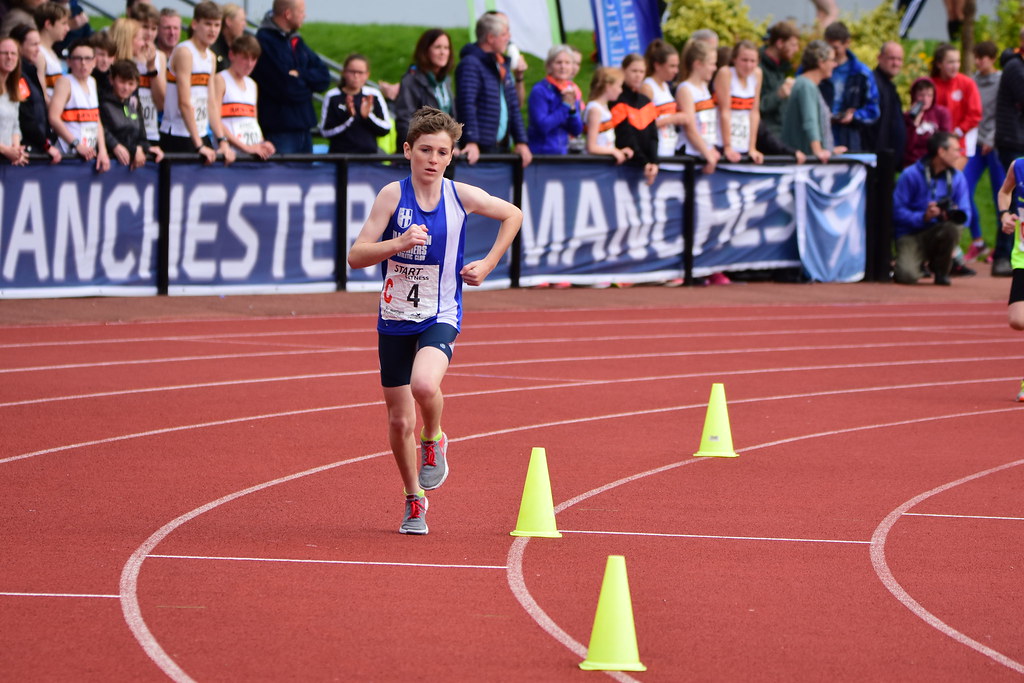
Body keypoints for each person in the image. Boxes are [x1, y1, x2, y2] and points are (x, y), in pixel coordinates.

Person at [346, 106, 523, 535]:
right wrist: (398, 242)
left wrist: (488, 263)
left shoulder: (460, 196)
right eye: (424, 149)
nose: (432, 159)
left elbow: (512, 214)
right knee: (397, 420)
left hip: (440, 312)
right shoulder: (392, 195)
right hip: (394, 317)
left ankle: (435, 437)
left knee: (425, 385)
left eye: (441, 152)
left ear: (450, 157)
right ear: (407, 150)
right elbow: (355, 256)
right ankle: (414, 500)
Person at [252, 0, 330, 155]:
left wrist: (300, 74)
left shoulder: (296, 40)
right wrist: (309, 87)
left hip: (303, 128)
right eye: (301, 11)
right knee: (283, 178)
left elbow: (324, 77)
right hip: (279, 130)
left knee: (305, 178)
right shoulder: (264, 41)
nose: (304, 15)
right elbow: (286, 88)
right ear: (288, 14)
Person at [892, 131, 970, 285]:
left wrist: (949, 214)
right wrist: (924, 217)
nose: (959, 155)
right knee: (906, 276)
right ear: (941, 151)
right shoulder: (911, 175)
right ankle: (916, 263)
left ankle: (941, 270)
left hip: (938, 231)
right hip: (911, 234)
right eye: (956, 150)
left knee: (953, 228)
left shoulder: (957, 177)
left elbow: (966, 214)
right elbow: (897, 211)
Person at [160, 1, 233, 165]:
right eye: (208, 24)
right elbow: (184, 102)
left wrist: (222, 140)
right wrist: (199, 145)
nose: (213, 30)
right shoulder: (185, 52)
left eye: (217, 25)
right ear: (194, 24)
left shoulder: (211, 57)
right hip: (178, 133)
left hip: (199, 132)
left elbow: (211, 103)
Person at [454, 11, 531, 167]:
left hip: (501, 148)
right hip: (480, 151)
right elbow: (466, 104)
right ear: (490, 38)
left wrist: (521, 141)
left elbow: (513, 106)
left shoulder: (501, 64)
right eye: (504, 34)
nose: (508, 38)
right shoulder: (471, 63)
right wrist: (471, 140)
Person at [963, 41, 1004, 263]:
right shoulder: (972, 81)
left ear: (993, 58)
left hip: (995, 145)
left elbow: (1004, 112)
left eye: (983, 57)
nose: (979, 61)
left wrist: (992, 138)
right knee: (964, 189)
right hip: (975, 145)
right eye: (977, 57)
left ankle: (1001, 247)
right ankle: (977, 241)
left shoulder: (1002, 80)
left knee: (1001, 194)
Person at [47, 37, 108, 171]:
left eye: (88, 59)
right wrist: (77, 144)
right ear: (69, 62)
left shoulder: (92, 82)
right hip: (68, 155)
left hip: (88, 153)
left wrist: (102, 150)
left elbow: (96, 119)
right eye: (78, 59)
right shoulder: (65, 83)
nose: (83, 63)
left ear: (94, 62)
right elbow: (53, 118)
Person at [782, 40, 847, 164]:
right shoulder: (806, 85)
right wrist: (818, 151)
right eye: (832, 60)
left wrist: (830, 150)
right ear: (821, 63)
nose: (835, 64)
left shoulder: (808, 85)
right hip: (802, 163)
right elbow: (810, 121)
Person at [992, 28, 1024, 277]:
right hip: (1012, 141)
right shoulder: (1015, 68)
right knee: (1013, 195)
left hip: (1016, 138)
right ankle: (1002, 255)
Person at [820, 21, 880, 153]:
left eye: (835, 47)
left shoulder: (862, 73)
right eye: (827, 48)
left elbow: (874, 111)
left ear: (847, 43)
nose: (831, 52)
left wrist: (854, 116)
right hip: (820, 136)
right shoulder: (816, 67)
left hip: (848, 138)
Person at [393, 28, 456, 147]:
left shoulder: (446, 81)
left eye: (446, 48)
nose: (443, 52)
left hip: (444, 150)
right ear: (425, 50)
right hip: (422, 151)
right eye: (437, 47)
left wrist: (454, 145)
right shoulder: (411, 80)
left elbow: (452, 118)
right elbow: (405, 121)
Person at [216, 34, 274, 159]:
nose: (249, 64)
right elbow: (216, 121)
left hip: (252, 154)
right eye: (245, 58)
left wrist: (263, 143)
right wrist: (244, 147)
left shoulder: (252, 84)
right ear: (232, 55)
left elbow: (252, 121)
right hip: (230, 154)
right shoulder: (220, 80)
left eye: (253, 59)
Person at [994, 155, 1024, 400]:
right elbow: (1005, 191)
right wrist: (1005, 214)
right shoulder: (1019, 166)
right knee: (1017, 320)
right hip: (1023, 256)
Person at [320, 53, 391, 154]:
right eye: (352, 72)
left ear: (367, 75)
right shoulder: (332, 96)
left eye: (360, 72)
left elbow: (386, 129)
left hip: (369, 158)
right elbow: (325, 132)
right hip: (340, 159)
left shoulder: (373, 95)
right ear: (344, 72)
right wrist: (348, 117)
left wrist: (367, 117)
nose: (356, 76)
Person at [9, 23, 60, 163]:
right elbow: (26, 115)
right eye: (34, 45)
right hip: (26, 151)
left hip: (38, 147)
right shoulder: (17, 76)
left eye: (39, 44)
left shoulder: (30, 72)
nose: (39, 50)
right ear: (19, 46)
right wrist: (45, 144)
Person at [100, 58, 162, 169]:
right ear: (111, 80)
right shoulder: (103, 104)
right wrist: (133, 149)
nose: (126, 88)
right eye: (122, 82)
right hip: (109, 166)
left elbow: (141, 136)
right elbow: (103, 133)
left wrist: (147, 148)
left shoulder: (134, 104)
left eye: (131, 83)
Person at [611, 52, 658, 185]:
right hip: (626, 165)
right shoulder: (617, 99)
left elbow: (653, 135)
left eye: (641, 71)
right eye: (634, 71)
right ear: (623, 71)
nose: (638, 75)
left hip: (645, 166)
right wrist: (645, 162)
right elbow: (625, 136)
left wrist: (653, 162)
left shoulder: (646, 101)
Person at [526, 44, 582, 155]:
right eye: (558, 62)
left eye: (567, 63)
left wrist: (572, 111)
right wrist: (565, 106)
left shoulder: (570, 90)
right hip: (541, 154)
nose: (563, 67)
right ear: (549, 66)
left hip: (562, 153)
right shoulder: (540, 90)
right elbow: (543, 126)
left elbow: (577, 130)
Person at [930, 43, 981, 163]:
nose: (955, 66)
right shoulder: (930, 85)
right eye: (950, 62)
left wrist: (956, 133)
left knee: (951, 180)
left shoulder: (967, 83)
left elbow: (975, 115)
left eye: (957, 61)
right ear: (939, 64)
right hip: (935, 144)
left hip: (959, 144)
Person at [120, 6, 164, 146]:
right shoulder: (124, 53)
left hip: (151, 130)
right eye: (145, 27)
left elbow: (161, 102)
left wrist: (151, 68)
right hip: (128, 129)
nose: (149, 34)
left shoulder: (160, 57)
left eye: (154, 28)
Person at [676, 39, 721, 174]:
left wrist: (711, 148)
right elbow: (690, 128)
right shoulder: (685, 89)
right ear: (698, 64)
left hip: (702, 153)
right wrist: (707, 154)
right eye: (711, 64)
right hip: (689, 154)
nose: (714, 68)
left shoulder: (704, 87)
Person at [715, 40, 763, 164]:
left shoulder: (757, 74)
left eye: (753, 61)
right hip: (722, 142)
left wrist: (752, 147)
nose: (748, 66)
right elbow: (724, 111)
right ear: (734, 59)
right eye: (744, 60)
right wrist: (727, 146)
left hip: (743, 142)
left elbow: (754, 112)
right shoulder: (726, 73)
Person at [640, 38, 686, 162]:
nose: (676, 71)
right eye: (672, 66)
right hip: (657, 151)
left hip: (669, 148)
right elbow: (643, 125)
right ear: (657, 65)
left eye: (677, 66)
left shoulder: (666, 86)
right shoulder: (647, 87)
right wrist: (672, 119)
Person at [863, 41, 906, 165]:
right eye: (891, 58)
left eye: (899, 59)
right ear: (879, 58)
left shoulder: (889, 86)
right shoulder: (873, 84)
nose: (896, 63)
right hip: (876, 160)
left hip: (887, 160)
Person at [758, 21, 800, 141]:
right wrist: (779, 94)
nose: (796, 49)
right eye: (793, 45)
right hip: (766, 140)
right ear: (780, 43)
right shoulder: (758, 68)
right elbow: (755, 106)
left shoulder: (782, 68)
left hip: (782, 136)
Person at [584, 66, 631, 164]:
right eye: (619, 86)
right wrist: (613, 151)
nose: (620, 90)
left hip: (603, 164)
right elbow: (591, 147)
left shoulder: (603, 107)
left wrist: (618, 151)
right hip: (595, 166)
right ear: (608, 86)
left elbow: (604, 141)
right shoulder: (595, 109)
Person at [903, 77, 951, 168]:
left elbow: (944, 141)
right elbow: (908, 147)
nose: (925, 99)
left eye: (929, 95)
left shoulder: (941, 113)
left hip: (934, 161)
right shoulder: (906, 117)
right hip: (912, 162)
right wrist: (914, 123)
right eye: (921, 95)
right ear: (914, 96)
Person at [0, 36, 28, 166]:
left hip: (6, 162)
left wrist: (16, 149)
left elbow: (15, 125)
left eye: (13, 54)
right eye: (4, 53)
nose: (9, 57)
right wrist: (5, 150)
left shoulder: (14, 89)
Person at [34, 1, 68, 98]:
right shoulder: (39, 53)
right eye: (63, 23)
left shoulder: (51, 51)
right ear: (48, 24)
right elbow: (42, 94)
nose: (67, 28)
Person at [210, 2, 245, 73]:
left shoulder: (241, 48)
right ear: (228, 21)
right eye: (242, 20)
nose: (244, 25)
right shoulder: (212, 48)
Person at [88, 29, 114, 97]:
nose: (105, 60)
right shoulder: (85, 77)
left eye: (110, 56)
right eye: (101, 55)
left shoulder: (115, 79)